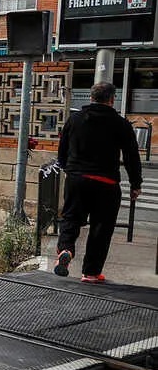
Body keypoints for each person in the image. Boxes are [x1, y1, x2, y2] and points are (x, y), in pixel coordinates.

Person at [54, 82, 143, 283]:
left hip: (77, 179)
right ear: (112, 99)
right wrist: (136, 184)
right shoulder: (121, 124)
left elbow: (62, 150)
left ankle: (66, 249)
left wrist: (71, 170)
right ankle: (91, 273)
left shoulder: (74, 119)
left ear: (91, 98)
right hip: (106, 182)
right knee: (101, 228)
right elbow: (131, 157)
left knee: (71, 219)